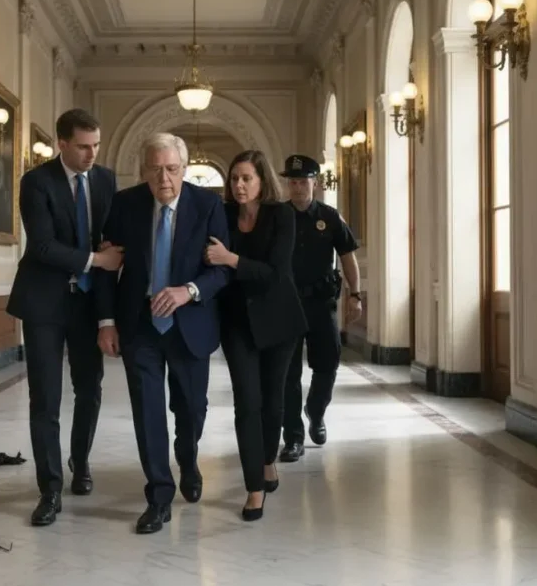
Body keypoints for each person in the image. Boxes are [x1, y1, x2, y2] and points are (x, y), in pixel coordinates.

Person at [96, 133, 230, 535]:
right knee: (148, 411)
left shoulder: (207, 206)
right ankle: (158, 495)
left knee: (192, 408)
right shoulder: (125, 204)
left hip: (190, 325)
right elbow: (107, 265)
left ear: (184, 169)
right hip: (140, 326)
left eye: (172, 169)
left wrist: (188, 291)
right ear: (144, 170)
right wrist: (106, 322)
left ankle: (187, 459)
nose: (164, 178)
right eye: (156, 169)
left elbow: (222, 270)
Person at [5, 108, 123, 527]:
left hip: (89, 307)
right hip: (44, 304)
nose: (92, 154)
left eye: (96, 145)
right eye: (83, 146)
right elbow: (42, 247)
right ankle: (50, 489)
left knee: (90, 391)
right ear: (62, 144)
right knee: (46, 399)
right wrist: (97, 259)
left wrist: (108, 317)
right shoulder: (36, 182)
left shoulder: (107, 180)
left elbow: (114, 244)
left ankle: (81, 461)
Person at [204, 150, 306, 521]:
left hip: (279, 320)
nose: (239, 185)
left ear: (262, 180)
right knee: (247, 401)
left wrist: (231, 259)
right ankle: (254, 487)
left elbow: (276, 273)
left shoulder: (282, 216)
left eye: (246, 178)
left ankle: (266, 460)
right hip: (237, 322)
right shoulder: (223, 215)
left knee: (272, 400)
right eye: (234, 179)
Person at [278, 155, 361, 463]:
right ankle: (293, 438)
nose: (298, 187)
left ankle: (315, 411)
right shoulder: (278, 216)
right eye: (293, 182)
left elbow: (348, 257)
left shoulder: (329, 216)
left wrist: (356, 294)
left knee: (327, 363)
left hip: (320, 303)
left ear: (315, 182)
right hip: (286, 305)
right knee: (288, 372)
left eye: (303, 181)